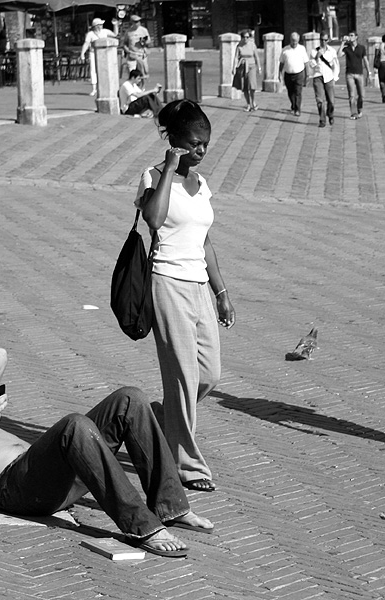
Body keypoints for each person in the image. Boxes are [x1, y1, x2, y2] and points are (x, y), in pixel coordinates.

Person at [0, 346, 214, 558]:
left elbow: (0, 357)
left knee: (129, 399)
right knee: (74, 426)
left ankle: (170, 506)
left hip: (48, 472)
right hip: (17, 490)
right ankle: (142, 526)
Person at [136, 100, 235, 493]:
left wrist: (222, 292)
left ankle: (162, 422)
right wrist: (168, 172)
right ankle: (189, 467)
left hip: (198, 287)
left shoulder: (202, 184)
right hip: (167, 283)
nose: (201, 150)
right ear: (174, 140)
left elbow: (205, 241)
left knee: (209, 375)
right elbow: (155, 220)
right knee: (182, 375)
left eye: (205, 144)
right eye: (194, 143)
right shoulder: (152, 176)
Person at [309, 32, 339, 127]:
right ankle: (322, 120)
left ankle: (330, 114)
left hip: (329, 77)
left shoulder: (332, 51)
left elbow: (336, 65)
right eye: (322, 39)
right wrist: (317, 57)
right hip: (318, 76)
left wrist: (335, 77)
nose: (323, 42)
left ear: (328, 40)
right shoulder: (314, 51)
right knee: (320, 100)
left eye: (325, 40)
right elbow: (311, 65)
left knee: (331, 101)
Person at [81, 18, 116, 96]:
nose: (101, 26)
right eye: (100, 24)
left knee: (105, 68)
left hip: (104, 53)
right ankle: (94, 89)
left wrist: (115, 25)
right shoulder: (90, 34)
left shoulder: (105, 31)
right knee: (93, 70)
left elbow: (115, 35)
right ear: (96, 26)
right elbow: (86, 43)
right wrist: (82, 53)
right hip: (93, 53)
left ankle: (105, 86)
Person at [338, 31, 369, 119]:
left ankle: (359, 109)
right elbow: (339, 55)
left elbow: (365, 60)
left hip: (360, 74)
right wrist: (342, 43)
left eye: (352, 36)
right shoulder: (347, 48)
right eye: (349, 36)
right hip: (350, 74)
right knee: (352, 95)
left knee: (361, 95)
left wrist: (369, 72)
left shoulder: (361, 48)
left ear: (356, 37)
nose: (350, 37)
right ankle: (353, 113)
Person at [278, 32, 310, 116]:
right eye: (293, 40)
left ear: (298, 39)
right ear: (290, 40)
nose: (294, 42)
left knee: (298, 92)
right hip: (288, 74)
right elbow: (281, 63)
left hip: (299, 74)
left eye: (296, 40)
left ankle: (297, 109)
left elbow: (306, 62)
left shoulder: (302, 49)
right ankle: (293, 105)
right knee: (290, 92)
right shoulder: (285, 50)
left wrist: (308, 74)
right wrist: (279, 73)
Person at [233, 30, 261, 112]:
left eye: (247, 37)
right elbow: (235, 58)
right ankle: (248, 104)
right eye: (244, 37)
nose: (245, 39)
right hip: (242, 67)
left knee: (252, 86)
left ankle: (253, 102)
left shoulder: (252, 45)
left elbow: (257, 57)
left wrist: (259, 68)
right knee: (244, 86)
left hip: (251, 67)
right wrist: (233, 68)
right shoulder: (239, 46)